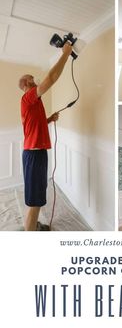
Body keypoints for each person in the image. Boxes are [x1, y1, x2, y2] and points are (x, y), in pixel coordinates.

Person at [19, 42, 73, 231]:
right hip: (34, 155)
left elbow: (32, 125)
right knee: (34, 201)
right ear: (27, 84)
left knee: (38, 196)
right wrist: (65, 54)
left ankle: (33, 226)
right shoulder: (28, 97)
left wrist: (49, 119)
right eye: (32, 80)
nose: (36, 81)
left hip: (36, 154)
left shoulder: (33, 104)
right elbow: (51, 78)